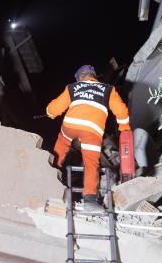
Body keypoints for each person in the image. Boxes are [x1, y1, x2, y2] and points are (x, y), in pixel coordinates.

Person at [46, 65, 130, 210]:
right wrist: (124, 129)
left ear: (79, 77)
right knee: (91, 164)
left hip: (71, 125)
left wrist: (50, 113)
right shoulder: (108, 90)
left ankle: (50, 173)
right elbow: (121, 110)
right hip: (92, 130)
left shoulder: (73, 87)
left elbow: (54, 108)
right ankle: (90, 200)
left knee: (61, 147)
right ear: (94, 76)